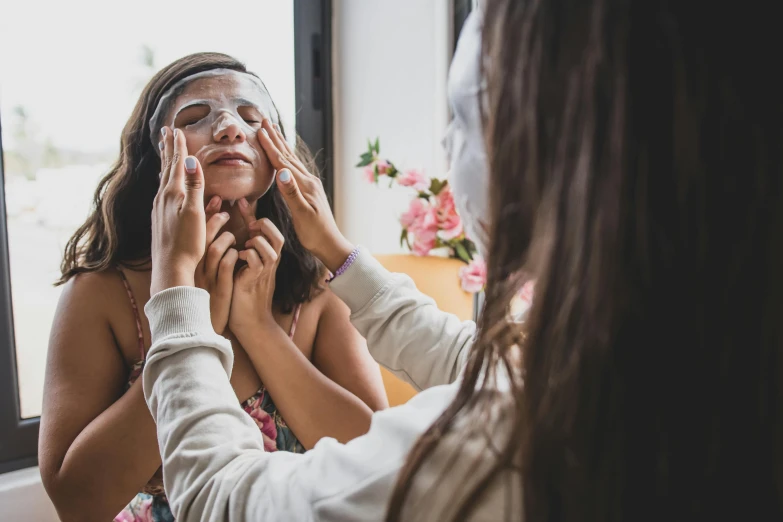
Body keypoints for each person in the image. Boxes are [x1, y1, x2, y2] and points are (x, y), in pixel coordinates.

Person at [144, 0, 783, 521]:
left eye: (461, 116)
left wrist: (177, 293)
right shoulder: (691, 350)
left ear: (557, 141)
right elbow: (482, 363)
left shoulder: (506, 440)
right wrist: (340, 255)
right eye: (199, 117)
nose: (448, 147)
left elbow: (223, 499)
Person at [38, 53, 387, 522]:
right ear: (156, 156)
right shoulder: (102, 291)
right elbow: (75, 500)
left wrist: (258, 328)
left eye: (251, 117)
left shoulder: (316, 284)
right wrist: (191, 321)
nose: (229, 128)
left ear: (277, 149)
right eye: (196, 117)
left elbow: (376, 458)